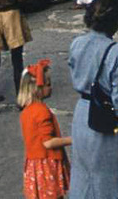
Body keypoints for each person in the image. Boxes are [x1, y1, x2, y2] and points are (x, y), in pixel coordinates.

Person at [68, 0, 118, 198]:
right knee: (109, 180)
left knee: (83, 175)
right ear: (114, 20)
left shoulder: (77, 43)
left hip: (82, 114)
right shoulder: (117, 52)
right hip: (106, 118)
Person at [19, 59, 72, 199]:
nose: (51, 87)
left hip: (34, 164)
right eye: (48, 84)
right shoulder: (42, 111)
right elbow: (48, 142)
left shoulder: (27, 111)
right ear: (38, 88)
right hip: (46, 165)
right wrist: (72, 139)